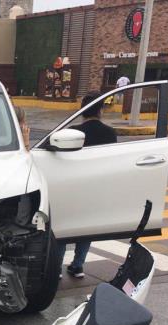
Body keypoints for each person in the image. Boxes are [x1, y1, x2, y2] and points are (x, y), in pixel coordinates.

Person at [58, 91, 118, 278]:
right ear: (101, 110)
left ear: (82, 110)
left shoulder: (71, 132)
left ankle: (56, 268)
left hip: (71, 188)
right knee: (86, 229)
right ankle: (77, 265)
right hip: (95, 188)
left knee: (63, 229)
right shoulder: (110, 133)